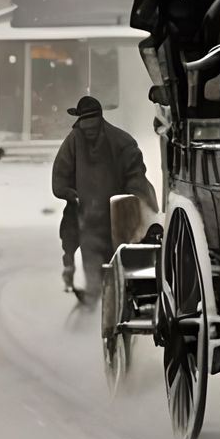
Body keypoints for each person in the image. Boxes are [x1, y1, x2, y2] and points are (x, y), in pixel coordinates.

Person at [52, 96, 157, 298]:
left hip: (103, 217)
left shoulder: (80, 141)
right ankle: (106, 299)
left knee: (105, 264)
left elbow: (59, 182)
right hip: (105, 217)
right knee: (109, 260)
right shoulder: (118, 141)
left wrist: (72, 196)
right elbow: (137, 179)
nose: (90, 132)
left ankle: (105, 300)